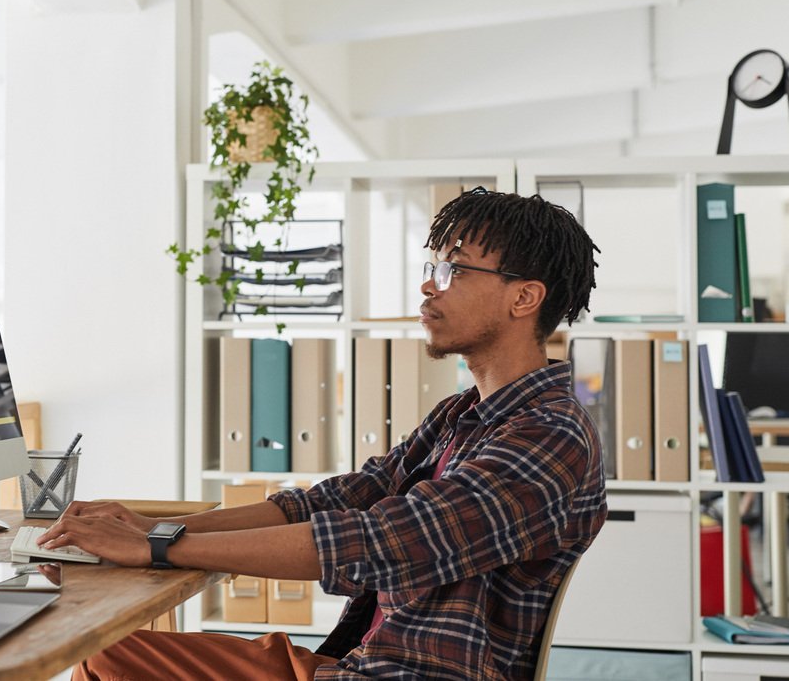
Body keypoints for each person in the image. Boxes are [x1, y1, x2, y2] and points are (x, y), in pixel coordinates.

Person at [40, 187, 608, 680]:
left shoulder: (550, 434)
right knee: (115, 653)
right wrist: (161, 529)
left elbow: (383, 541)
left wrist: (160, 547)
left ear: (524, 297)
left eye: (453, 271)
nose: (429, 289)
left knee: (107, 661)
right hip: (363, 662)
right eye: (434, 269)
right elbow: (332, 502)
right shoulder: (462, 415)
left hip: (402, 674)